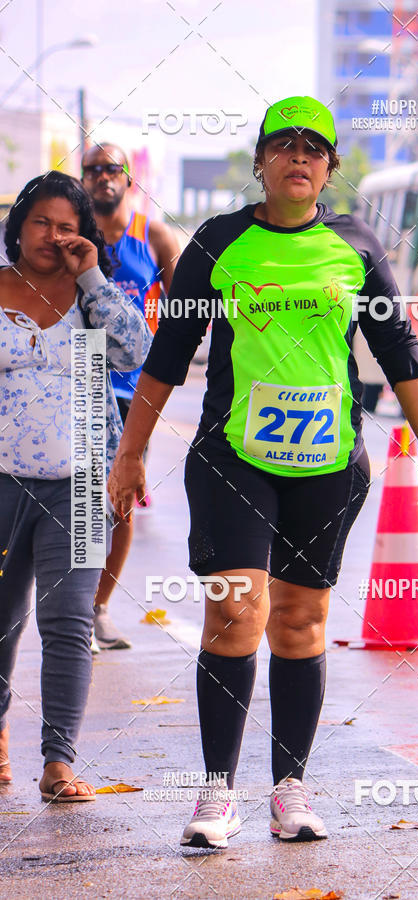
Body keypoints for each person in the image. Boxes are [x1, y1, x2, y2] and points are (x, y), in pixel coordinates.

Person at [107, 95, 418, 847]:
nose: (298, 158)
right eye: (284, 146)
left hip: (329, 464)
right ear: (262, 161)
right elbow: (168, 357)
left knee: (300, 626)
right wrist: (131, 452)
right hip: (234, 458)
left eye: (313, 149)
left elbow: (400, 354)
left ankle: (289, 790)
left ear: (329, 167)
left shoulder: (357, 245)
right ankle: (215, 795)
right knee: (237, 613)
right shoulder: (219, 242)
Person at [0, 171, 152, 800]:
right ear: (19, 225)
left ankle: (59, 761)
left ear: (84, 236)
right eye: (41, 221)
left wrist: (91, 277)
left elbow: (134, 351)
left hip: (81, 484)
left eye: (68, 226)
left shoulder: (98, 295)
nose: (53, 235)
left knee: (68, 624)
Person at [81, 143, 180, 651]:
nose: (102, 177)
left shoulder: (153, 235)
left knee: (119, 499)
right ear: (83, 179)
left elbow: (187, 302)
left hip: (135, 387)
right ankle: (75, 611)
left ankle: (97, 608)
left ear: (128, 177)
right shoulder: (73, 234)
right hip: (79, 382)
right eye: (93, 170)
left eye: (111, 168)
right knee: (80, 499)